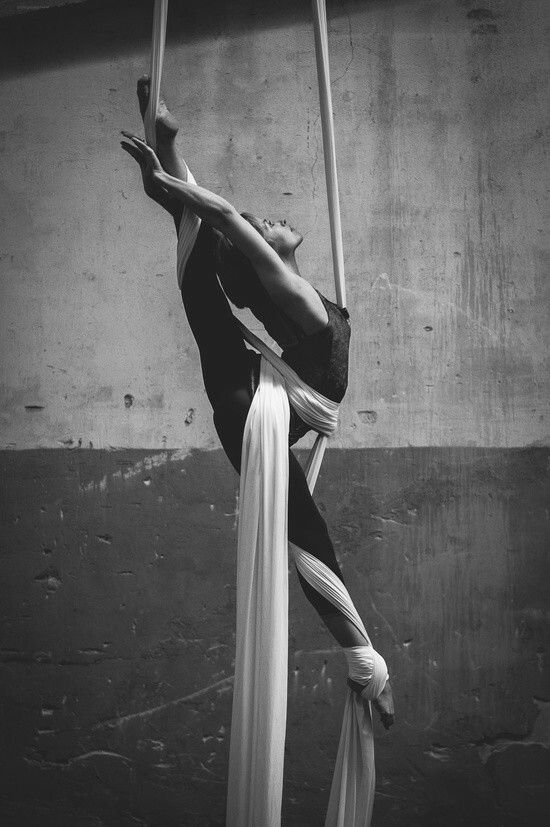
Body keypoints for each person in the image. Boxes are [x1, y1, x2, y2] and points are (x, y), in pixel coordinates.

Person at [120, 77, 394, 728]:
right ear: (268, 263)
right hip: (259, 400)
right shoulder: (292, 295)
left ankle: (362, 656)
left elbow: (221, 220)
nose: (274, 222)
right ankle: (362, 657)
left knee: (303, 530)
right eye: (269, 232)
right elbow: (223, 221)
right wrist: (171, 175)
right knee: (302, 531)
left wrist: (171, 173)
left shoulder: (295, 299)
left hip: (270, 395)